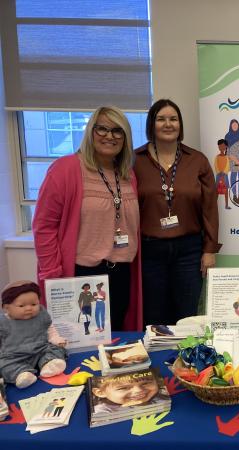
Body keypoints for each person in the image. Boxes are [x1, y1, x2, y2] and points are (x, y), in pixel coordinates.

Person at [33, 106, 142, 331]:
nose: (109, 136)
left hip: (121, 272)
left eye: (117, 131)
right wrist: (53, 276)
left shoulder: (127, 174)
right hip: (81, 275)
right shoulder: (65, 169)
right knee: (82, 340)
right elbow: (44, 227)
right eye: (102, 129)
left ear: (125, 137)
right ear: (91, 132)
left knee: (116, 338)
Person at [134, 99, 220, 326]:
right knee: (154, 316)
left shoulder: (197, 160)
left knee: (187, 316)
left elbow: (210, 207)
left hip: (189, 251)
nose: (168, 124)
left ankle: (185, 361)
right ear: (151, 124)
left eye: (173, 119)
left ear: (180, 125)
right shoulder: (134, 161)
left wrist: (210, 249)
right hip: (149, 251)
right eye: (161, 119)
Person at [0, 281, 67, 388]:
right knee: (5, 365)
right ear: (6, 308)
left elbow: (49, 328)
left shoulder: (41, 314)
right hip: (14, 356)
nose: (28, 308)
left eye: (33, 304)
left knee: (56, 349)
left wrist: (55, 338)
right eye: (21, 305)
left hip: (41, 350)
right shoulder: (3, 322)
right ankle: (21, 374)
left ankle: (49, 364)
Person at [91, 370, 168, 413]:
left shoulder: (162, 399)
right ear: (100, 393)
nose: (139, 390)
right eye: (123, 388)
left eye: (145, 383)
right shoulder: (102, 412)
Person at [214, 139, 231, 209]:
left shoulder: (227, 157)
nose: (221, 147)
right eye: (219, 146)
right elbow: (215, 165)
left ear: (226, 147)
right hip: (218, 176)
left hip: (225, 175)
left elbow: (228, 166)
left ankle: (226, 205)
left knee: (226, 190)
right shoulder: (217, 157)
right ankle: (214, 205)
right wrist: (219, 172)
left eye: (223, 146)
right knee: (217, 190)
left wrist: (224, 172)